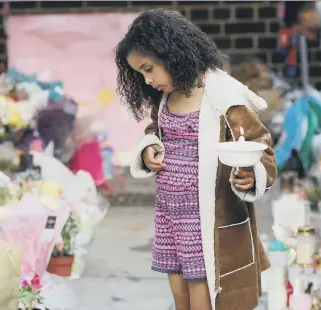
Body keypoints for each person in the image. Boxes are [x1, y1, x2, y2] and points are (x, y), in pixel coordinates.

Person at [115, 9, 277, 310]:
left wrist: (253, 174)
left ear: (171, 54)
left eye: (149, 69)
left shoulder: (220, 97)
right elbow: (158, 129)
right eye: (140, 74)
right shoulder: (166, 96)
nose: (147, 80)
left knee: (202, 287)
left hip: (204, 215)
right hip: (169, 212)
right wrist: (151, 146)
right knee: (177, 286)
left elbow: (260, 146)